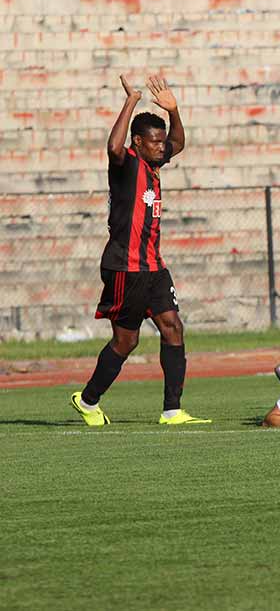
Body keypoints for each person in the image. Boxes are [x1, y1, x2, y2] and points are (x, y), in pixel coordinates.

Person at [70, 74, 210, 426]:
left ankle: (172, 410)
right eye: (155, 142)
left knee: (173, 327)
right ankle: (87, 400)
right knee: (126, 341)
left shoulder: (154, 163)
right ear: (139, 142)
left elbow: (178, 141)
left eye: (162, 142)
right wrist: (131, 100)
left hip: (154, 267)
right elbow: (113, 148)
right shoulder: (126, 164)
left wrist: (174, 111)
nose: (163, 147)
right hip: (124, 267)